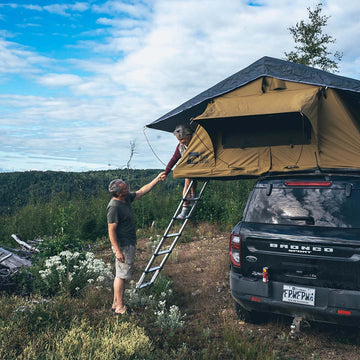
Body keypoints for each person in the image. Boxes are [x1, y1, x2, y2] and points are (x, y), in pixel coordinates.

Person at [107, 172, 164, 315]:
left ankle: (116, 304)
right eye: (125, 188)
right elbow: (111, 231)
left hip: (127, 243)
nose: (128, 189)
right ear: (119, 193)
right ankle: (120, 307)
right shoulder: (114, 207)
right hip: (123, 245)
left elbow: (142, 191)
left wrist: (157, 179)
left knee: (120, 274)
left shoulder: (125, 199)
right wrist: (118, 251)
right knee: (121, 276)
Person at [162, 124, 197, 219]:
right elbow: (174, 159)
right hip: (191, 169)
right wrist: (166, 172)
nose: (181, 142)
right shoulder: (180, 146)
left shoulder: (198, 141)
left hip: (201, 166)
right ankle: (190, 201)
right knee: (188, 178)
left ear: (189, 135)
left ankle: (186, 208)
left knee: (188, 179)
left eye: (182, 139)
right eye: (179, 140)